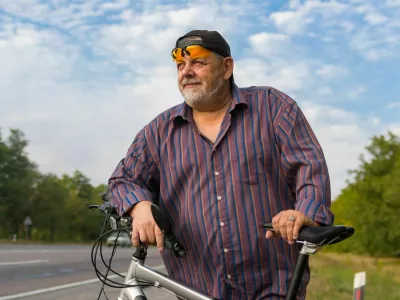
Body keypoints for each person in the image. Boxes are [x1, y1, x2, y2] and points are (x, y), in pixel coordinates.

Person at [108, 29, 334, 300]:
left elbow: (309, 167)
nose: (186, 72)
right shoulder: (159, 132)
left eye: (198, 62)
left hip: (272, 287)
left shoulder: (273, 107)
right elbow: (123, 179)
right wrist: (140, 207)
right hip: (195, 288)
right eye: (180, 65)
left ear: (227, 67)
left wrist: (304, 213)